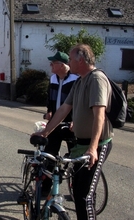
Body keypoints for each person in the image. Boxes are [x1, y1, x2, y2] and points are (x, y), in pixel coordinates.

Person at [34, 44, 113, 220]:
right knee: (78, 193)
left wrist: (93, 148)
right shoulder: (80, 81)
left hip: (97, 145)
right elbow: (63, 109)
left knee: (84, 196)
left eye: (70, 59)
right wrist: (45, 132)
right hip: (81, 144)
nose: (69, 62)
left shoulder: (96, 79)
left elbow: (99, 115)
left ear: (81, 60)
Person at [41, 51, 79, 194]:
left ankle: (77, 191)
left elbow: (79, 102)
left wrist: (76, 120)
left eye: (53, 63)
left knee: (75, 158)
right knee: (49, 155)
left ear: (62, 65)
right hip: (55, 123)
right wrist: (49, 110)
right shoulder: (53, 79)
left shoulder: (76, 79)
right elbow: (49, 98)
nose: (50, 65)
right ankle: (45, 188)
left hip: (70, 125)